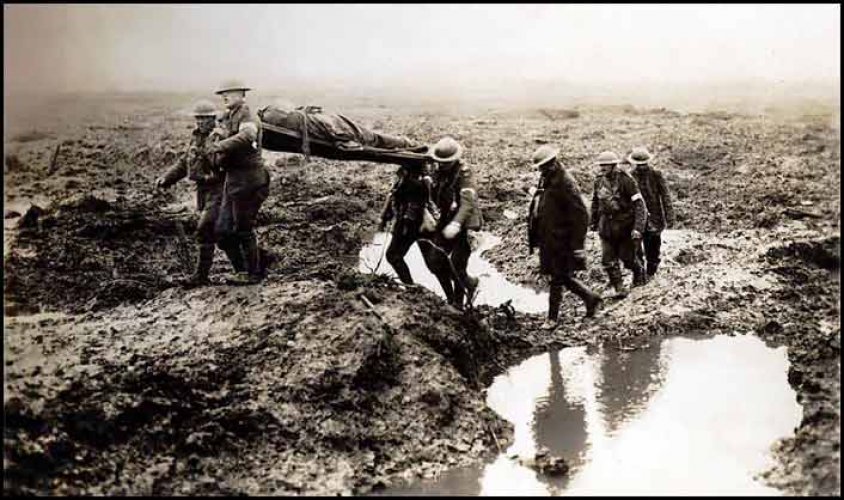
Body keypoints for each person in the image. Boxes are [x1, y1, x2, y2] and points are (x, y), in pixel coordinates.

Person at [155, 99, 234, 287]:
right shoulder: (196, 137)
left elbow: (228, 162)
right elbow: (185, 162)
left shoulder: (220, 136)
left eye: (205, 119)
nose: (200, 122)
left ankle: (201, 276)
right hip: (204, 190)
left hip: (221, 189)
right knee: (222, 234)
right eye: (198, 118)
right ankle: (252, 264)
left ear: (213, 119)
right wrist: (167, 178)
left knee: (206, 228)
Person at [204, 79, 271, 286]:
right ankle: (245, 269)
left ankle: (252, 273)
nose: (225, 97)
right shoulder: (227, 117)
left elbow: (248, 134)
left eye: (230, 94)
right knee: (222, 231)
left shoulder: (246, 115)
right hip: (233, 180)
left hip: (250, 179)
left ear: (242, 95)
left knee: (243, 228)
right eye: (223, 94)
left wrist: (220, 146)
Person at [528, 145, 602, 329]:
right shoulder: (547, 178)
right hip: (550, 238)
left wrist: (578, 245)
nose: (541, 170)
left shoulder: (565, 182)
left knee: (557, 278)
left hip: (563, 239)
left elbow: (581, 214)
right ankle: (590, 298)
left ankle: (552, 318)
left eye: (544, 166)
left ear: (553, 164)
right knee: (561, 276)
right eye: (540, 167)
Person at [419, 136, 482, 310]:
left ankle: (460, 302)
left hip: (464, 223)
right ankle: (451, 296)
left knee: (457, 264)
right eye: (440, 162)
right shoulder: (438, 171)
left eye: (446, 162)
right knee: (435, 262)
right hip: (445, 221)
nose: (441, 165)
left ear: (455, 159)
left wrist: (456, 224)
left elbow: (468, 202)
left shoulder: (464, 173)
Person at [590, 150, 647, 297]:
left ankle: (639, 273)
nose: (602, 168)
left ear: (614, 165)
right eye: (601, 165)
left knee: (627, 259)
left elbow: (639, 205)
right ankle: (619, 289)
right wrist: (593, 222)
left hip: (624, 227)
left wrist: (638, 228)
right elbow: (595, 202)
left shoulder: (626, 180)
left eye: (606, 165)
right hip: (606, 227)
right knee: (608, 261)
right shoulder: (598, 181)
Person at [378, 161, 436, 285]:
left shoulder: (412, 184)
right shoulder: (415, 182)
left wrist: (397, 226)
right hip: (415, 224)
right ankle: (411, 286)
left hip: (409, 224)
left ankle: (410, 286)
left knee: (393, 256)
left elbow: (409, 208)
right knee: (433, 264)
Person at [628, 146, 675, 279]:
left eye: (644, 164)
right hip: (635, 219)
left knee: (653, 248)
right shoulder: (629, 177)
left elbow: (665, 196)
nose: (641, 167)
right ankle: (639, 274)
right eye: (639, 165)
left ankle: (651, 272)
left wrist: (669, 216)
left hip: (654, 218)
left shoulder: (656, 174)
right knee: (636, 248)